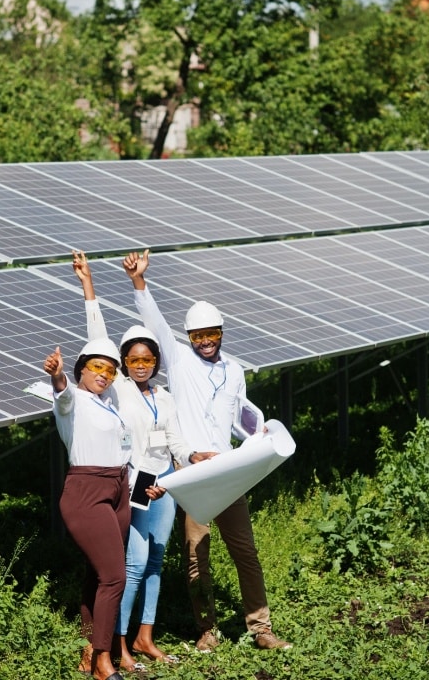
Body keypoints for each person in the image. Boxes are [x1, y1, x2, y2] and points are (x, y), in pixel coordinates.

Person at [121, 248, 292, 652]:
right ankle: (206, 630)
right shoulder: (179, 361)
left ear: (221, 333)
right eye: (199, 336)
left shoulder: (234, 371)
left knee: (245, 552)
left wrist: (259, 430)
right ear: (190, 338)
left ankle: (261, 627)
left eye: (212, 334)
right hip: (192, 472)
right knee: (197, 556)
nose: (206, 342)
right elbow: (155, 324)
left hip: (229, 472)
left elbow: (239, 418)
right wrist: (139, 282)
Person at [72, 250, 192, 670]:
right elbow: (97, 333)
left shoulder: (165, 397)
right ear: (124, 363)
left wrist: (186, 469)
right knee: (134, 564)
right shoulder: (118, 389)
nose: (141, 365)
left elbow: (177, 442)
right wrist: (89, 284)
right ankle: (116, 646)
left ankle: (145, 637)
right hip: (134, 483)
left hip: (166, 483)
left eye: (148, 359)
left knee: (157, 560)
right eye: (133, 359)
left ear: (157, 361)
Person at [44, 337, 136, 680]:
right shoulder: (74, 402)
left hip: (119, 488)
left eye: (111, 370)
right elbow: (63, 395)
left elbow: (124, 447)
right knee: (115, 577)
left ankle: (87, 650)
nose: (104, 374)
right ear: (81, 368)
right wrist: (58, 376)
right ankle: (102, 661)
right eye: (97, 367)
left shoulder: (107, 404)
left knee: (98, 575)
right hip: (88, 490)